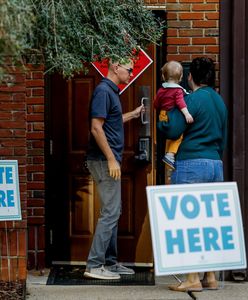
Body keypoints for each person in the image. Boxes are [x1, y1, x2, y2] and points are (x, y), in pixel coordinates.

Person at [157, 57, 228, 292]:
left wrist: (162, 120)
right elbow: (224, 137)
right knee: (208, 222)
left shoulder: (192, 99)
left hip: (191, 163)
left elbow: (174, 128)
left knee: (187, 223)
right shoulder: (219, 102)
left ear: (190, 77)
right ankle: (210, 276)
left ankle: (192, 279)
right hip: (215, 163)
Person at [84, 58, 144, 280]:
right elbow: (96, 127)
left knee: (113, 211)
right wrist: (111, 158)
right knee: (110, 212)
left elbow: (111, 121)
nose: (130, 73)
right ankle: (94, 264)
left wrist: (133, 114)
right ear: (116, 68)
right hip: (102, 160)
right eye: (129, 70)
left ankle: (109, 262)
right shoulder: (103, 91)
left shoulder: (111, 91)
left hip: (107, 159)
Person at [154, 61, 193, 170]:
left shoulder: (161, 90)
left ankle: (168, 155)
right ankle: (170, 154)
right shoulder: (178, 91)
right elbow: (181, 103)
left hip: (162, 115)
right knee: (178, 135)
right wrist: (187, 114)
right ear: (181, 77)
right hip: (172, 116)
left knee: (169, 137)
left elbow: (156, 104)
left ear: (163, 76)